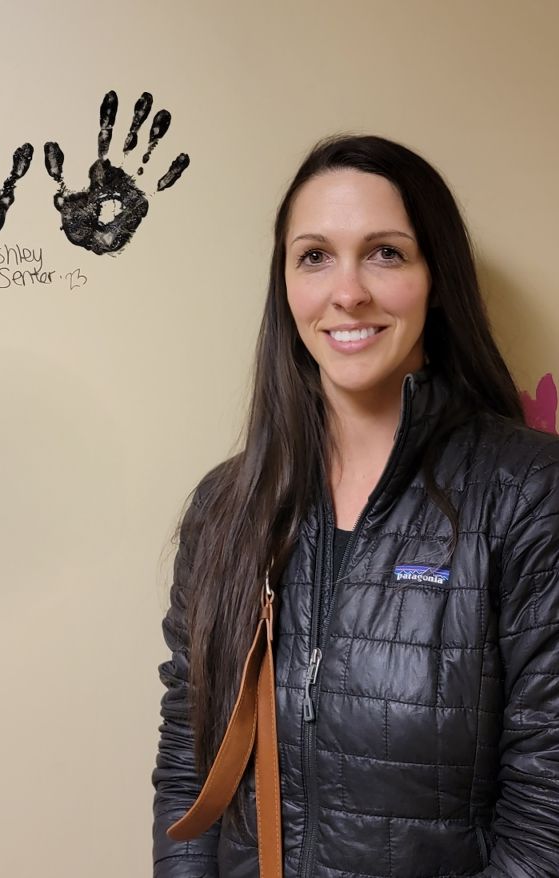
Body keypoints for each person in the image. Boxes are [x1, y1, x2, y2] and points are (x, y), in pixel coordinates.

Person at [151, 134, 559, 877]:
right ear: (284, 285)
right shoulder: (225, 507)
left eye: (385, 253)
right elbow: (188, 758)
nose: (347, 293)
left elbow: (547, 816)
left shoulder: (531, 493)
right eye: (313, 256)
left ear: (436, 278)